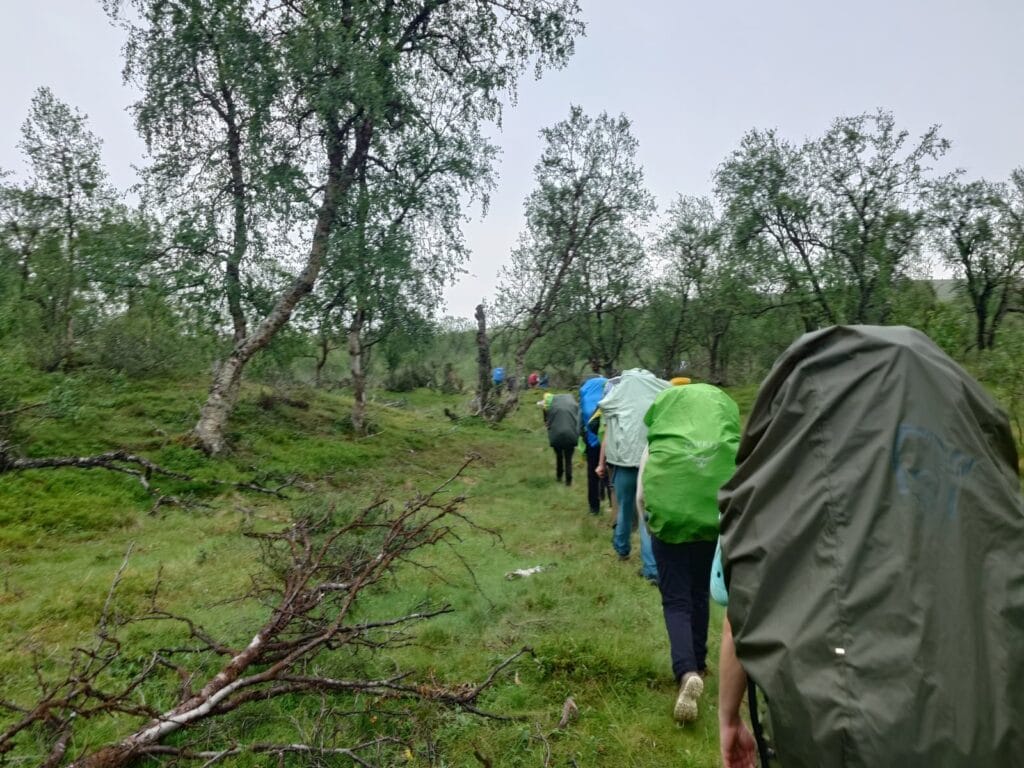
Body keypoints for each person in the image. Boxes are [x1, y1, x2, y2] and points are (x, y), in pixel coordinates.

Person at [716, 325, 1024, 768]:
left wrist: (729, 716)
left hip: (835, 736)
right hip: (982, 734)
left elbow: (740, 616)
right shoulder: (984, 491)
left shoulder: (782, 489)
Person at [636, 383, 740, 723]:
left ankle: (686, 671)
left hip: (669, 526)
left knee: (676, 600)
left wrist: (649, 522)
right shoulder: (720, 444)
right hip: (711, 525)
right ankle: (701, 660)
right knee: (698, 593)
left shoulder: (661, 441)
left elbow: (642, 491)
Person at [596, 368, 669, 582]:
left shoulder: (618, 389)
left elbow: (604, 409)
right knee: (647, 512)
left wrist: (601, 463)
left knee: (625, 507)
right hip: (653, 461)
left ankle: (621, 548)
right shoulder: (661, 389)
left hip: (623, 461)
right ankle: (652, 567)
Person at [578, 374, 608, 515]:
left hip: (592, 441)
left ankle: (594, 508)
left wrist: (583, 438)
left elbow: (580, 424)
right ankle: (613, 505)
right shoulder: (609, 390)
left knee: (592, 475)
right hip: (609, 441)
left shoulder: (585, 395)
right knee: (610, 474)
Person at [545, 393, 578, 486]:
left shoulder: (553, 407)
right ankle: (569, 480)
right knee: (568, 458)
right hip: (570, 435)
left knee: (559, 456)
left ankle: (559, 476)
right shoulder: (574, 406)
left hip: (557, 435)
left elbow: (548, 422)